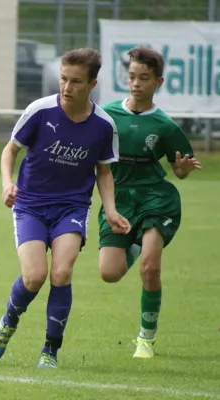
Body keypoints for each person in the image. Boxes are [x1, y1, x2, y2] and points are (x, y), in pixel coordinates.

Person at [0, 48, 131, 369]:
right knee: (35, 276)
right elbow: (10, 150)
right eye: (63, 79)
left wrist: (111, 210)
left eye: (76, 82)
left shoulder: (104, 125)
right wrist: (7, 183)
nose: (67, 87)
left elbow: (104, 172)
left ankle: (50, 350)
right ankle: (9, 320)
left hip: (72, 208)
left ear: (92, 84)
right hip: (30, 206)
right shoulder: (40, 110)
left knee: (62, 272)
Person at [98, 46, 202, 358]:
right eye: (131, 76)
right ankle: (136, 244)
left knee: (150, 268)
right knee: (109, 273)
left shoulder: (166, 127)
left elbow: (179, 167)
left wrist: (181, 171)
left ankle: (146, 338)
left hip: (156, 197)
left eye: (144, 78)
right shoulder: (107, 116)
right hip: (119, 198)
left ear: (158, 82)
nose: (136, 83)